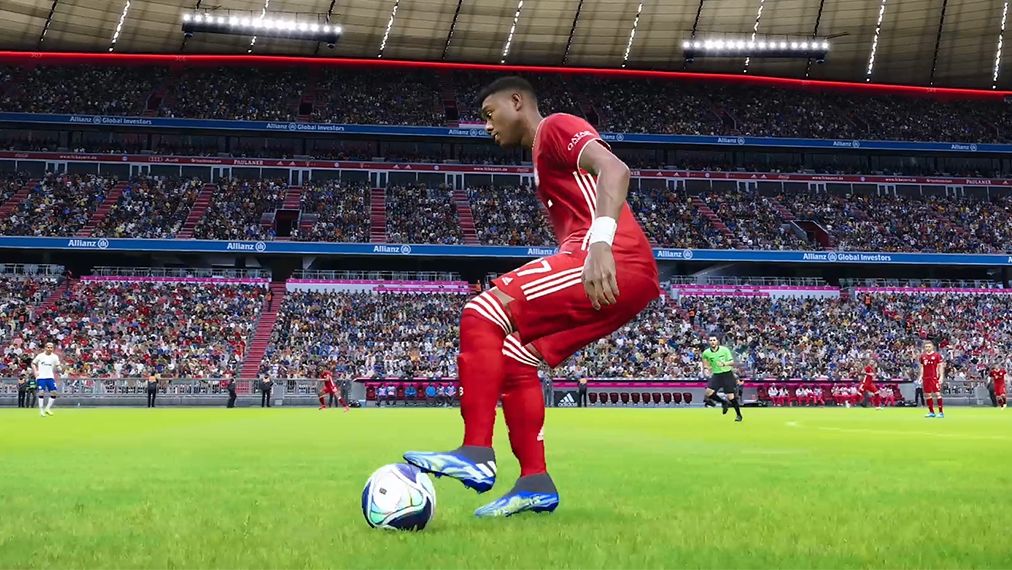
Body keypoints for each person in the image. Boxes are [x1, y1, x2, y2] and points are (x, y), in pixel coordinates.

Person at [404, 76, 662, 518]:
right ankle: (535, 482)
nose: (487, 126)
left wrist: (601, 243)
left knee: (482, 311)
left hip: (611, 258)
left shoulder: (556, 127)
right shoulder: (541, 158)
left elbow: (616, 169)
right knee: (516, 356)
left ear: (517, 101)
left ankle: (475, 451)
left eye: (490, 115)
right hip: (619, 274)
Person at [701, 335, 743, 421]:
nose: (712, 342)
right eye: (711, 340)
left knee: (731, 397)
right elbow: (705, 364)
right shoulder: (706, 353)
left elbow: (732, 362)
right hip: (716, 375)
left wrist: (724, 364)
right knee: (708, 393)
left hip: (727, 374)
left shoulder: (724, 350)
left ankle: (739, 415)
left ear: (717, 341)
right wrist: (706, 369)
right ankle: (723, 402)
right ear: (709, 342)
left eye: (714, 340)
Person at [32, 342, 61, 417]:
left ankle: (47, 408)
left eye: (51, 347)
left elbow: (58, 365)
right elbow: (33, 363)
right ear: (45, 348)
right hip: (41, 377)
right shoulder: (40, 356)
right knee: (41, 392)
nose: (49, 349)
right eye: (48, 347)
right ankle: (41, 410)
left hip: (50, 377)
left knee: (54, 392)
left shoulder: (55, 357)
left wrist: (60, 368)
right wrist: (35, 371)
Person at [919, 340, 945, 418]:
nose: (927, 348)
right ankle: (931, 412)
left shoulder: (937, 355)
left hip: (934, 377)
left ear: (932, 347)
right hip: (926, 378)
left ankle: (941, 412)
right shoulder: (922, 356)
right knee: (927, 394)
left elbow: (940, 366)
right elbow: (922, 367)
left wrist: (941, 376)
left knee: (937, 393)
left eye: (929, 346)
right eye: (926, 347)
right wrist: (920, 376)